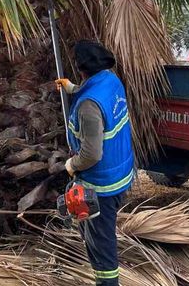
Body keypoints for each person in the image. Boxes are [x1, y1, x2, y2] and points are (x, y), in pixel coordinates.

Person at [55, 40, 135, 286]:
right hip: (121, 173)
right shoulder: (111, 81)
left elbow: (91, 154)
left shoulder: (88, 106)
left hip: (101, 184)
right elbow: (96, 94)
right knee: (100, 233)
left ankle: (108, 282)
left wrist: (71, 165)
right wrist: (72, 89)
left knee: (100, 243)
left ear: (80, 67)